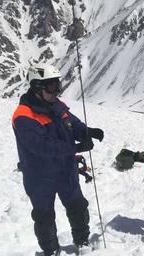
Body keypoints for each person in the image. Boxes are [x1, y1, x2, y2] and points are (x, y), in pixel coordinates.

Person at [12, 63, 104, 255]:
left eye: (58, 85)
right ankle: (52, 251)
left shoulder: (56, 105)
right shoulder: (23, 116)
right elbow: (41, 147)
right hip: (39, 176)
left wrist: (87, 131)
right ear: (37, 87)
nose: (57, 90)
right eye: (52, 86)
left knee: (77, 206)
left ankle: (82, 241)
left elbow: (72, 123)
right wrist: (76, 147)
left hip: (65, 170)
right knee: (44, 216)